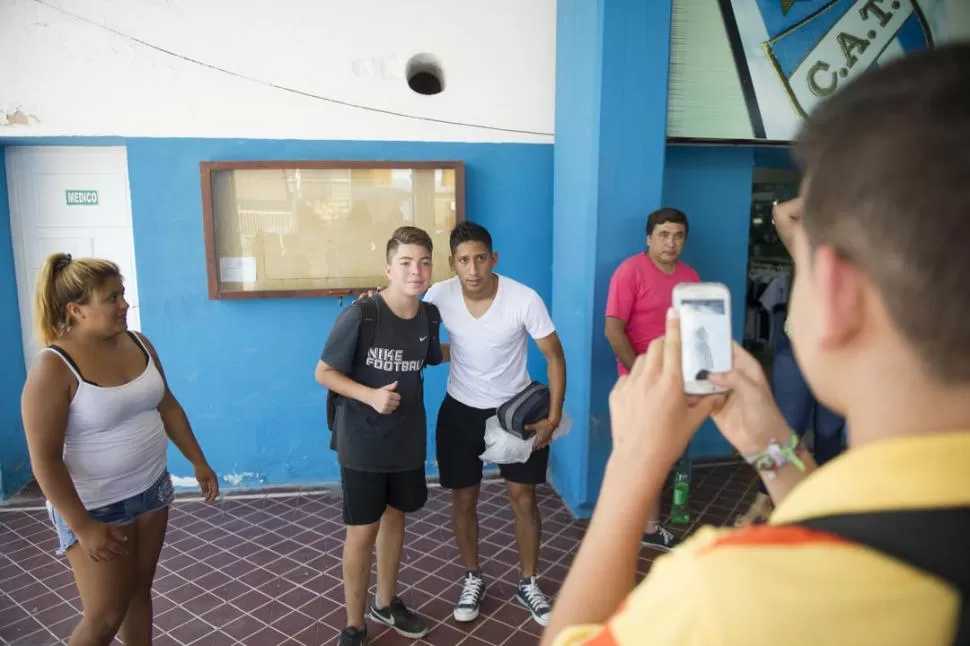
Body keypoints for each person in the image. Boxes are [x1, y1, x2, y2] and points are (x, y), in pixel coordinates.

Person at [543, 44, 970, 646]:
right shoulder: (629, 272)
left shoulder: (725, 596)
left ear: (839, 291)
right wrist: (774, 448)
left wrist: (633, 463)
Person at [21, 253, 219, 646]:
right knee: (104, 616)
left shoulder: (138, 343)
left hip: (151, 491)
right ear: (75, 309)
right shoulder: (54, 367)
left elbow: (168, 406)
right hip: (96, 507)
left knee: (138, 591)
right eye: (111, 298)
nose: (124, 304)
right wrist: (82, 526)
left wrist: (199, 462)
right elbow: (44, 461)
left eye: (122, 294)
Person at [425, 221, 566, 627]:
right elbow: (410, 326)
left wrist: (552, 419)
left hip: (515, 414)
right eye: (464, 261)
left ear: (494, 259)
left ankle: (529, 581)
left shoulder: (523, 298)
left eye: (481, 259)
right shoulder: (438, 295)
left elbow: (555, 357)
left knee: (524, 499)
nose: (473, 270)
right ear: (452, 263)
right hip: (460, 413)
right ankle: (473, 577)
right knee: (464, 500)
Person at [315, 226, 443, 646]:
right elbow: (325, 373)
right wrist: (370, 396)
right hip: (363, 442)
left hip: (406, 441)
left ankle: (385, 603)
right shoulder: (362, 314)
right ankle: (354, 625)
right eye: (406, 262)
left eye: (424, 262)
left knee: (395, 519)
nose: (416, 271)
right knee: (362, 530)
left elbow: (431, 358)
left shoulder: (428, 316)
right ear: (389, 267)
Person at [735, 197, 846, 526]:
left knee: (829, 435)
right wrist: (833, 185)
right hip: (796, 353)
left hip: (838, 358)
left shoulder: (868, 264)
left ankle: (821, 507)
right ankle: (764, 500)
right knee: (784, 431)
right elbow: (783, 212)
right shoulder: (806, 249)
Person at [604, 207, 700, 550]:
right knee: (635, 458)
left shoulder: (690, 277)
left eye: (678, 236)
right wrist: (642, 373)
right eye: (663, 235)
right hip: (639, 383)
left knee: (660, 458)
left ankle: (648, 527)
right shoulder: (630, 272)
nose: (671, 243)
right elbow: (613, 330)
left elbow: (695, 332)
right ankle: (621, 530)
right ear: (649, 238)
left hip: (676, 382)